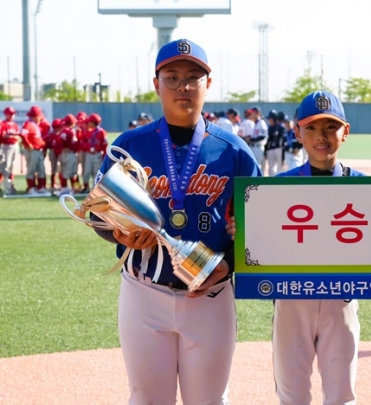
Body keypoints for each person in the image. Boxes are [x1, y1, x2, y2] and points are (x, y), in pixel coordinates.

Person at [92, 38, 261, 404]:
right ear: (156, 84)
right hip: (144, 291)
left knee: (209, 400)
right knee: (147, 398)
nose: (183, 86)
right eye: (172, 77)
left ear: (208, 84)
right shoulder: (131, 145)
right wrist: (118, 231)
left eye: (192, 77)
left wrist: (229, 264)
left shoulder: (233, 150)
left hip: (211, 293)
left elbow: (260, 225)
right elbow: (97, 212)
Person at [270, 91, 364, 404]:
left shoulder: (369, 188)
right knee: (291, 394)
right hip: (292, 297)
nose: (320, 137)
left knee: (341, 395)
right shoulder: (277, 187)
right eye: (310, 128)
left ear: (346, 132)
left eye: (330, 127)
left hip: (342, 297)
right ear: (296, 132)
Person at [20, 106, 49, 195]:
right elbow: (22, 134)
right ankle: (31, 188)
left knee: (41, 169)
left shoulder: (34, 124)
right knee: (31, 169)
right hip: (32, 151)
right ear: (35, 116)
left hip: (38, 150)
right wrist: (28, 144)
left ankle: (41, 187)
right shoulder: (28, 124)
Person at [81, 113, 107, 193]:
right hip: (89, 154)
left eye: (90, 122)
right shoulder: (89, 132)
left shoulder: (102, 132)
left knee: (96, 172)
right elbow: (84, 142)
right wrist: (86, 146)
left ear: (93, 122)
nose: (88, 123)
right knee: (87, 172)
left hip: (97, 154)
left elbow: (105, 144)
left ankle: (94, 189)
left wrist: (104, 156)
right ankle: (85, 187)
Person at [0, 106, 20, 194]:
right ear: (6, 114)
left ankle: (10, 185)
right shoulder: (3, 123)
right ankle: (6, 186)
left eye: (13, 114)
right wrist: (12, 136)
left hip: (14, 145)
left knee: (13, 166)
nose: (12, 116)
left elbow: (18, 136)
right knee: (5, 166)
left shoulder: (15, 124)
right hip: (6, 146)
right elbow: (3, 136)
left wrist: (12, 136)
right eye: (10, 114)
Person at [248, 106, 268, 173]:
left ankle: (257, 183)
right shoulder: (255, 123)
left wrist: (251, 140)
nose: (251, 114)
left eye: (252, 112)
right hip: (254, 147)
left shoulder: (261, 122)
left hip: (258, 147)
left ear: (257, 113)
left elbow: (262, 136)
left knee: (257, 166)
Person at [264, 110, 284, 176]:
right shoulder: (269, 128)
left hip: (279, 149)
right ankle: (272, 182)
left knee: (279, 167)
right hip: (270, 149)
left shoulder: (280, 127)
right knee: (271, 167)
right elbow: (267, 140)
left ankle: (280, 182)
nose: (269, 120)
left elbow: (283, 139)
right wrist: (265, 150)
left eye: (270, 118)